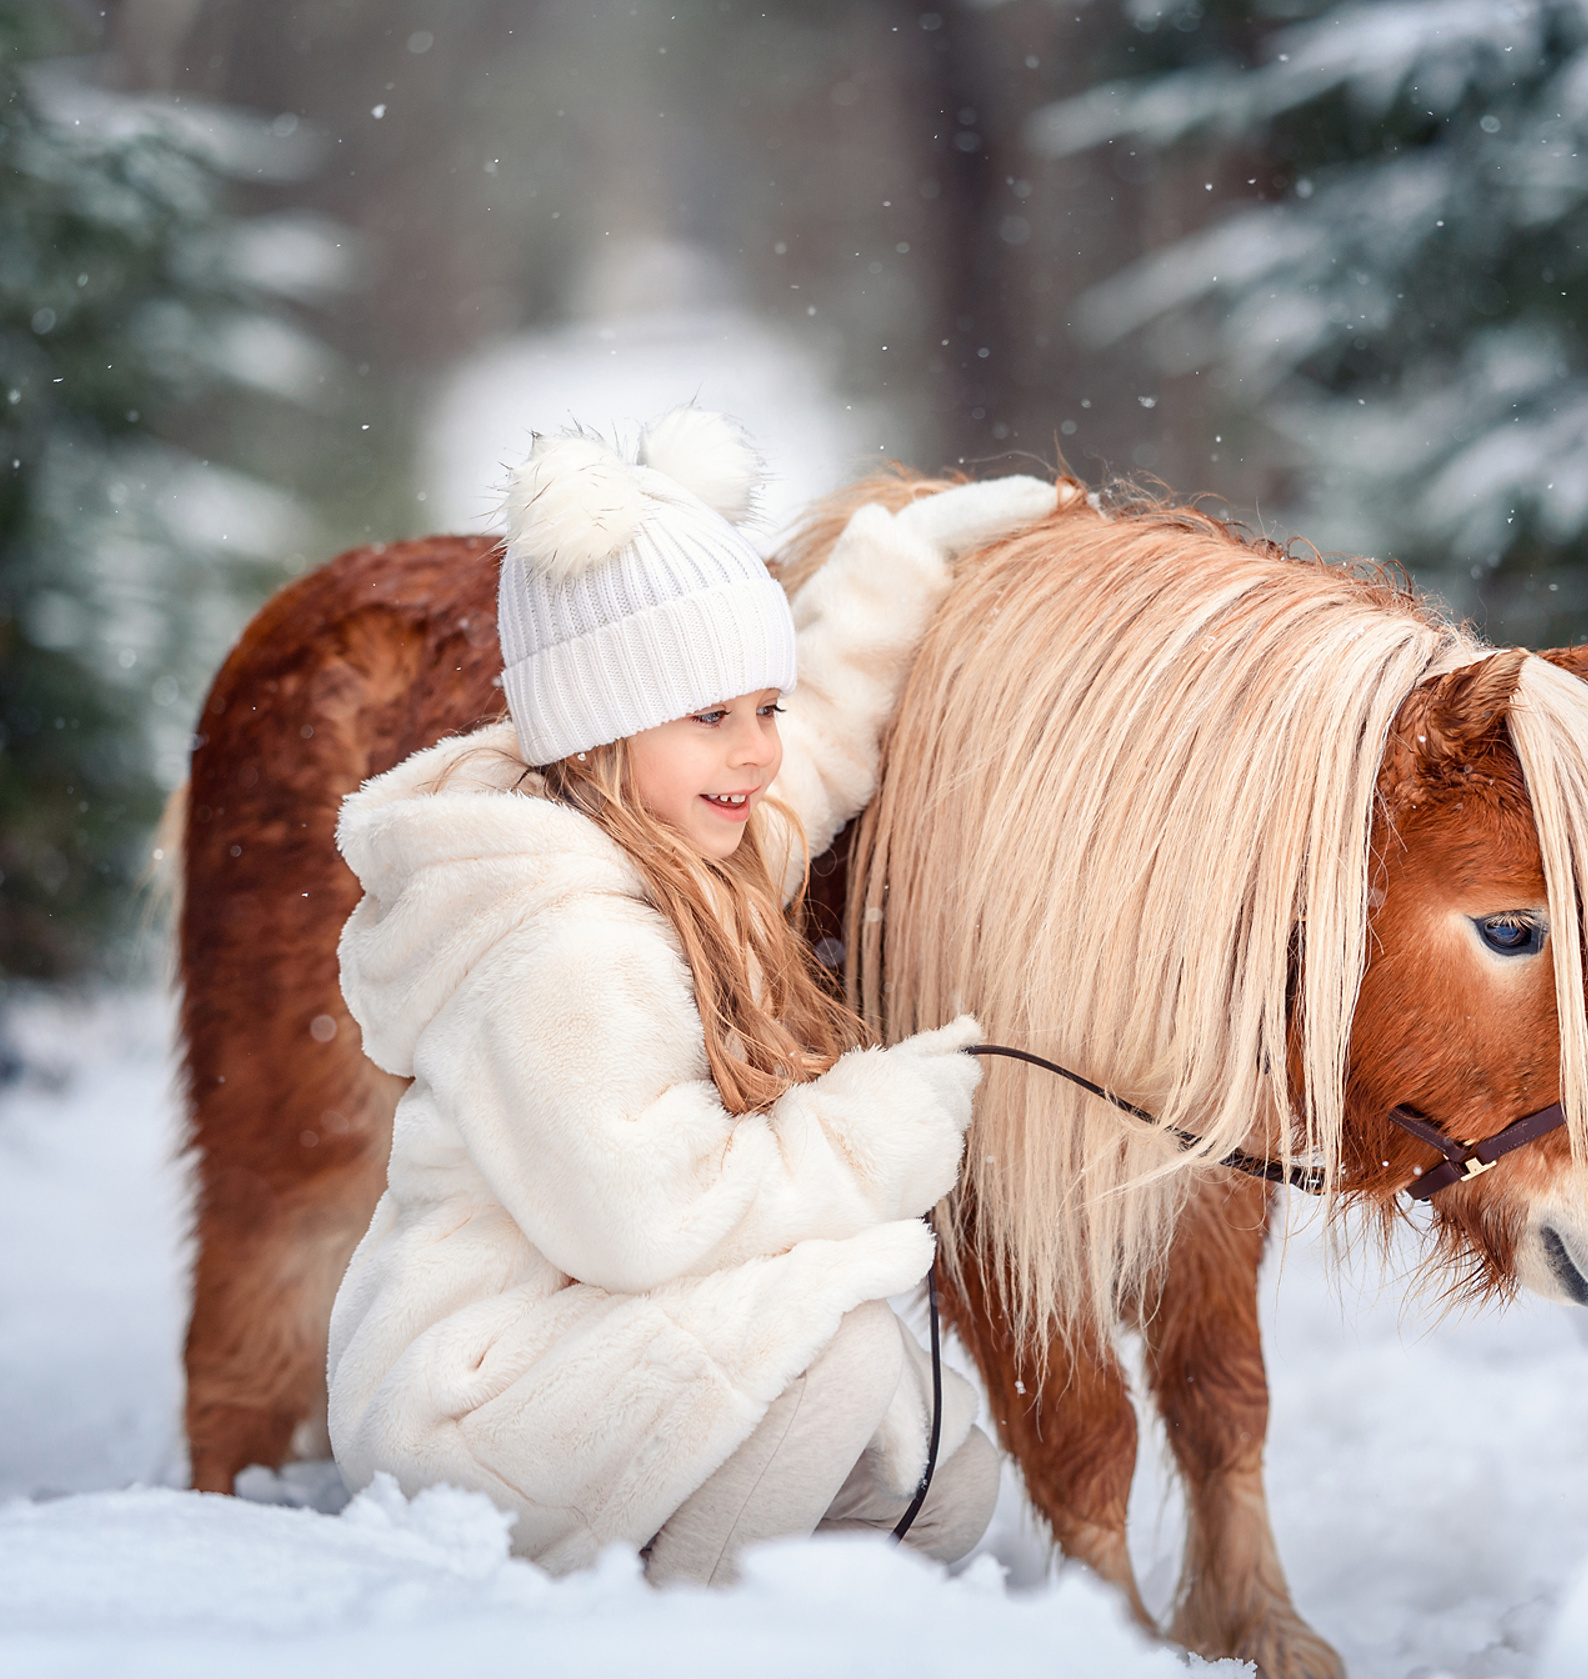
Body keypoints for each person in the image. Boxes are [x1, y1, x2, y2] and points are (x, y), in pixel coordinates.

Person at [324, 407, 1062, 1586]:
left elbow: (817, 748)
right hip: (476, 1394)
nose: (759, 750)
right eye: (713, 717)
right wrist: (880, 1131)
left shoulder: (669, 849)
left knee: (939, 1484)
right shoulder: (564, 947)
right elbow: (646, 1216)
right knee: (843, 1360)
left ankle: (807, 1636)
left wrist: (898, 559)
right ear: (602, 733)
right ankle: (683, 1645)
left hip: (591, 1352)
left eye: (760, 706)